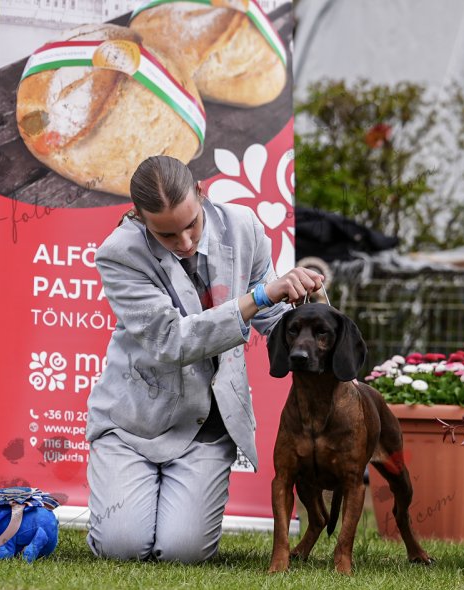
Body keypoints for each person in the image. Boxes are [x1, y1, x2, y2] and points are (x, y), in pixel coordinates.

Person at [85, 155, 323, 563]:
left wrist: (312, 313)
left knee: (183, 552)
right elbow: (172, 341)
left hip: (206, 427)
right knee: (121, 547)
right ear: (139, 217)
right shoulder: (119, 253)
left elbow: (272, 321)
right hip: (134, 427)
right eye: (166, 234)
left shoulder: (244, 227)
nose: (184, 242)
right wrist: (261, 295)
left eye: (191, 224)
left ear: (201, 193)